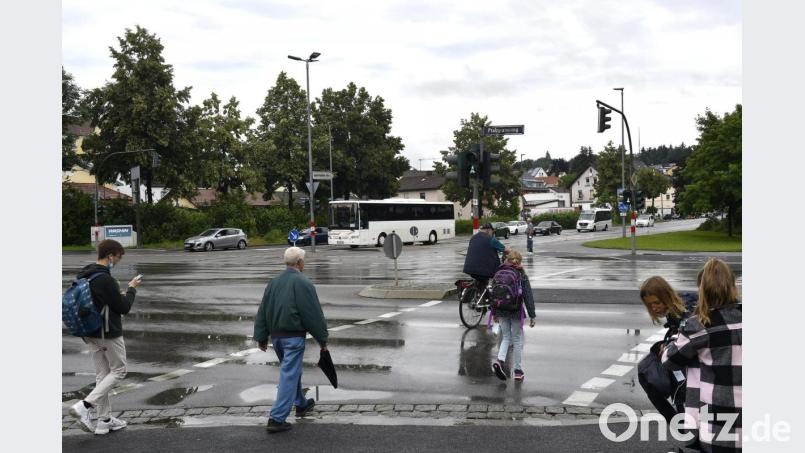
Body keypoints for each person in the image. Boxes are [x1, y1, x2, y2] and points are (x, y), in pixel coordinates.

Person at [662, 258, 742, 452]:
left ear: (702, 289)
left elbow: (669, 361)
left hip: (719, 418)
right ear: (732, 285)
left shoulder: (699, 325)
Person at [68, 239, 141, 435]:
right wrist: (132, 289)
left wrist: (119, 295)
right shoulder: (106, 279)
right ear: (110, 255)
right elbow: (123, 307)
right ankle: (84, 406)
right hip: (107, 332)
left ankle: (104, 421)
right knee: (119, 371)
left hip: (89, 332)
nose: (118, 260)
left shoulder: (86, 275)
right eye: (118, 256)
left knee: (102, 375)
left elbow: (106, 302)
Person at [254, 247, 329, 433]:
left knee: (291, 371)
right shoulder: (303, 283)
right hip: (293, 338)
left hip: (277, 338)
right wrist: (322, 339)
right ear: (299, 263)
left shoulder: (274, 282)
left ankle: (301, 403)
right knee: (289, 374)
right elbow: (312, 314)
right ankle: (277, 418)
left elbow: (263, 310)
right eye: (304, 261)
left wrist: (261, 336)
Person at [638, 276, 697, 424]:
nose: (654, 308)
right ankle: (681, 426)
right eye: (649, 305)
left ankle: (681, 426)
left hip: (695, 369)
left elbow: (689, 335)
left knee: (646, 371)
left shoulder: (685, 311)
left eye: (656, 303)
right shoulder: (679, 310)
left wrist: (670, 343)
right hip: (688, 367)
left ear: (667, 296)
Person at [490, 250, 536, 382]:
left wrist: (494, 313)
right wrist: (532, 316)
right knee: (516, 340)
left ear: (507, 260)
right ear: (519, 261)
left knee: (505, 337)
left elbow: (494, 294)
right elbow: (528, 296)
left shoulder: (499, 272)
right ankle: (518, 371)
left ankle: (499, 361)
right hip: (515, 310)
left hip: (501, 309)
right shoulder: (521, 274)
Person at [462, 223, 509, 290]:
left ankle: (477, 293)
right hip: (484, 270)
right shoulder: (491, 239)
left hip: (469, 268)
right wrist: (513, 253)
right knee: (498, 276)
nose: (492, 234)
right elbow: (506, 250)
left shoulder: (473, 237)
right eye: (492, 232)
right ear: (488, 230)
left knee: (480, 280)